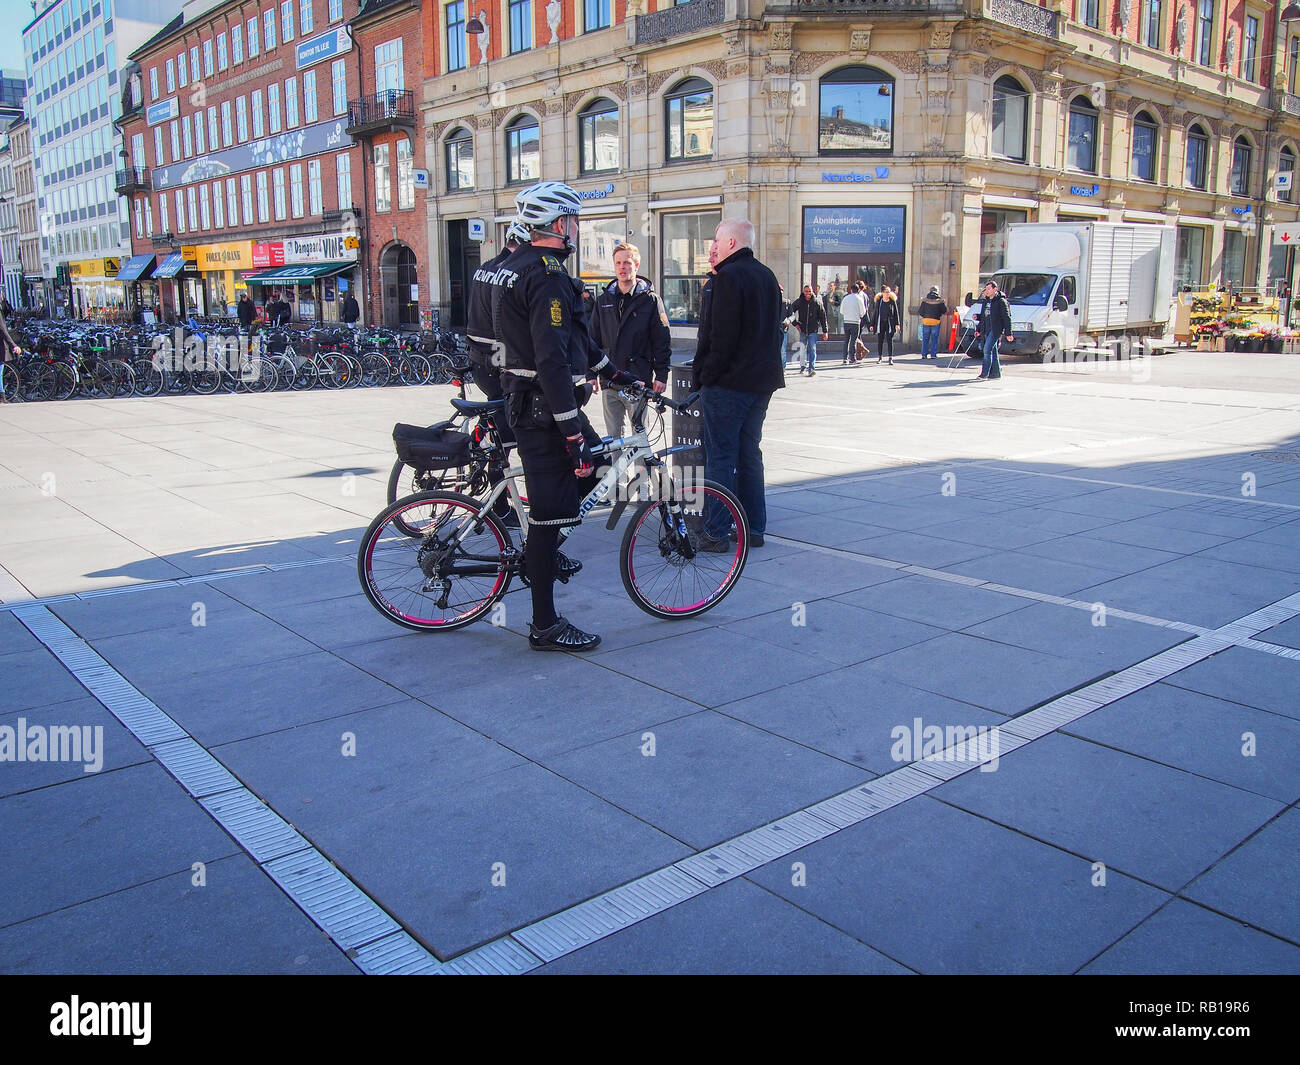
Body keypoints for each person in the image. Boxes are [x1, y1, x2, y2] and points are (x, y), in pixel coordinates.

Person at [490, 180, 641, 652]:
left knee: (589, 477)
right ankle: (545, 624)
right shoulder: (548, 275)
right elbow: (551, 359)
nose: (575, 227)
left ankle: (543, 560)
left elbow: (575, 342)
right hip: (542, 411)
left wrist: (614, 373)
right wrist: (572, 429)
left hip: (523, 400)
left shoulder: (510, 265)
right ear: (559, 223)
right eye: (572, 220)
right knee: (550, 518)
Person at [691, 218, 783, 550]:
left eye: (716, 240)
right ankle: (754, 529)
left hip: (729, 385)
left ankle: (716, 531)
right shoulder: (767, 276)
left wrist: (704, 378)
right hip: (761, 384)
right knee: (748, 454)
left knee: (720, 456)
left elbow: (720, 339)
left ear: (732, 243)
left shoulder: (727, 279)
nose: (712, 247)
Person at [588, 241, 671, 439]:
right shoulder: (603, 300)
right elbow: (592, 341)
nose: (622, 267)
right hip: (610, 380)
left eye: (626, 263)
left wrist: (661, 375)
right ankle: (620, 473)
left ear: (636, 265)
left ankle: (643, 472)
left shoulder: (650, 300)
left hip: (638, 380)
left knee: (641, 440)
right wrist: (590, 374)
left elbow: (662, 340)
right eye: (618, 263)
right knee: (614, 440)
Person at [975, 280, 1013, 381]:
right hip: (986, 328)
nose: (986, 291)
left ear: (995, 289)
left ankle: (984, 373)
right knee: (993, 351)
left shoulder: (1001, 301)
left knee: (987, 350)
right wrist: (978, 325)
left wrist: (1008, 333)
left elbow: (1006, 317)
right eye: (986, 289)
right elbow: (984, 316)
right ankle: (996, 373)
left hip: (996, 330)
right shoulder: (986, 301)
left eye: (988, 289)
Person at [790, 283, 827, 376]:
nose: (808, 293)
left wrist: (825, 331)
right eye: (806, 291)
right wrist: (795, 324)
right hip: (802, 329)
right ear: (803, 292)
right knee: (802, 349)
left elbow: (823, 317)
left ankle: (811, 368)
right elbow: (790, 312)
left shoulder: (817, 302)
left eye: (810, 291)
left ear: (812, 292)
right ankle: (803, 366)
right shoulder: (799, 302)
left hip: (813, 330)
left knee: (812, 349)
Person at [917, 285, 948, 361]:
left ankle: (924, 354)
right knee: (934, 339)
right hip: (935, 321)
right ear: (937, 291)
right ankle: (933, 355)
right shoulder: (940, 300)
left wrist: (925, 316)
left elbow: (920, 311)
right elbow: (944, 310)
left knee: (925, 339)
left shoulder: (925, 300)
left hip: (926, 321)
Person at [874, 285, 900, 364]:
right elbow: (876, 313)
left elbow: (896, 313)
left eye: (889, 292)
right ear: (882, 293)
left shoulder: (892, 301)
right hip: (881, 323)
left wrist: (897, 324)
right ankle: (880, 357)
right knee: (880, 340)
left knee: (889, 340)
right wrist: (872, 324)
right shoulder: (879, 302)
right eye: (886, 292)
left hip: (889, 323)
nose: (888, 293)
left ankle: (890, 358)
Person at [840, 281, 865, 365]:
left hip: (846, 321)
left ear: (851, 290)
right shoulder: (859, 299)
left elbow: (842, 311)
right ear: (858, 290)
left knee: (846, 339)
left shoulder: (845, 298)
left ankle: (844, 358)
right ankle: (852, 358)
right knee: (853, 341)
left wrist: (846, 315)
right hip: (855, 321)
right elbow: (863, 311)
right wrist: (859, 315)